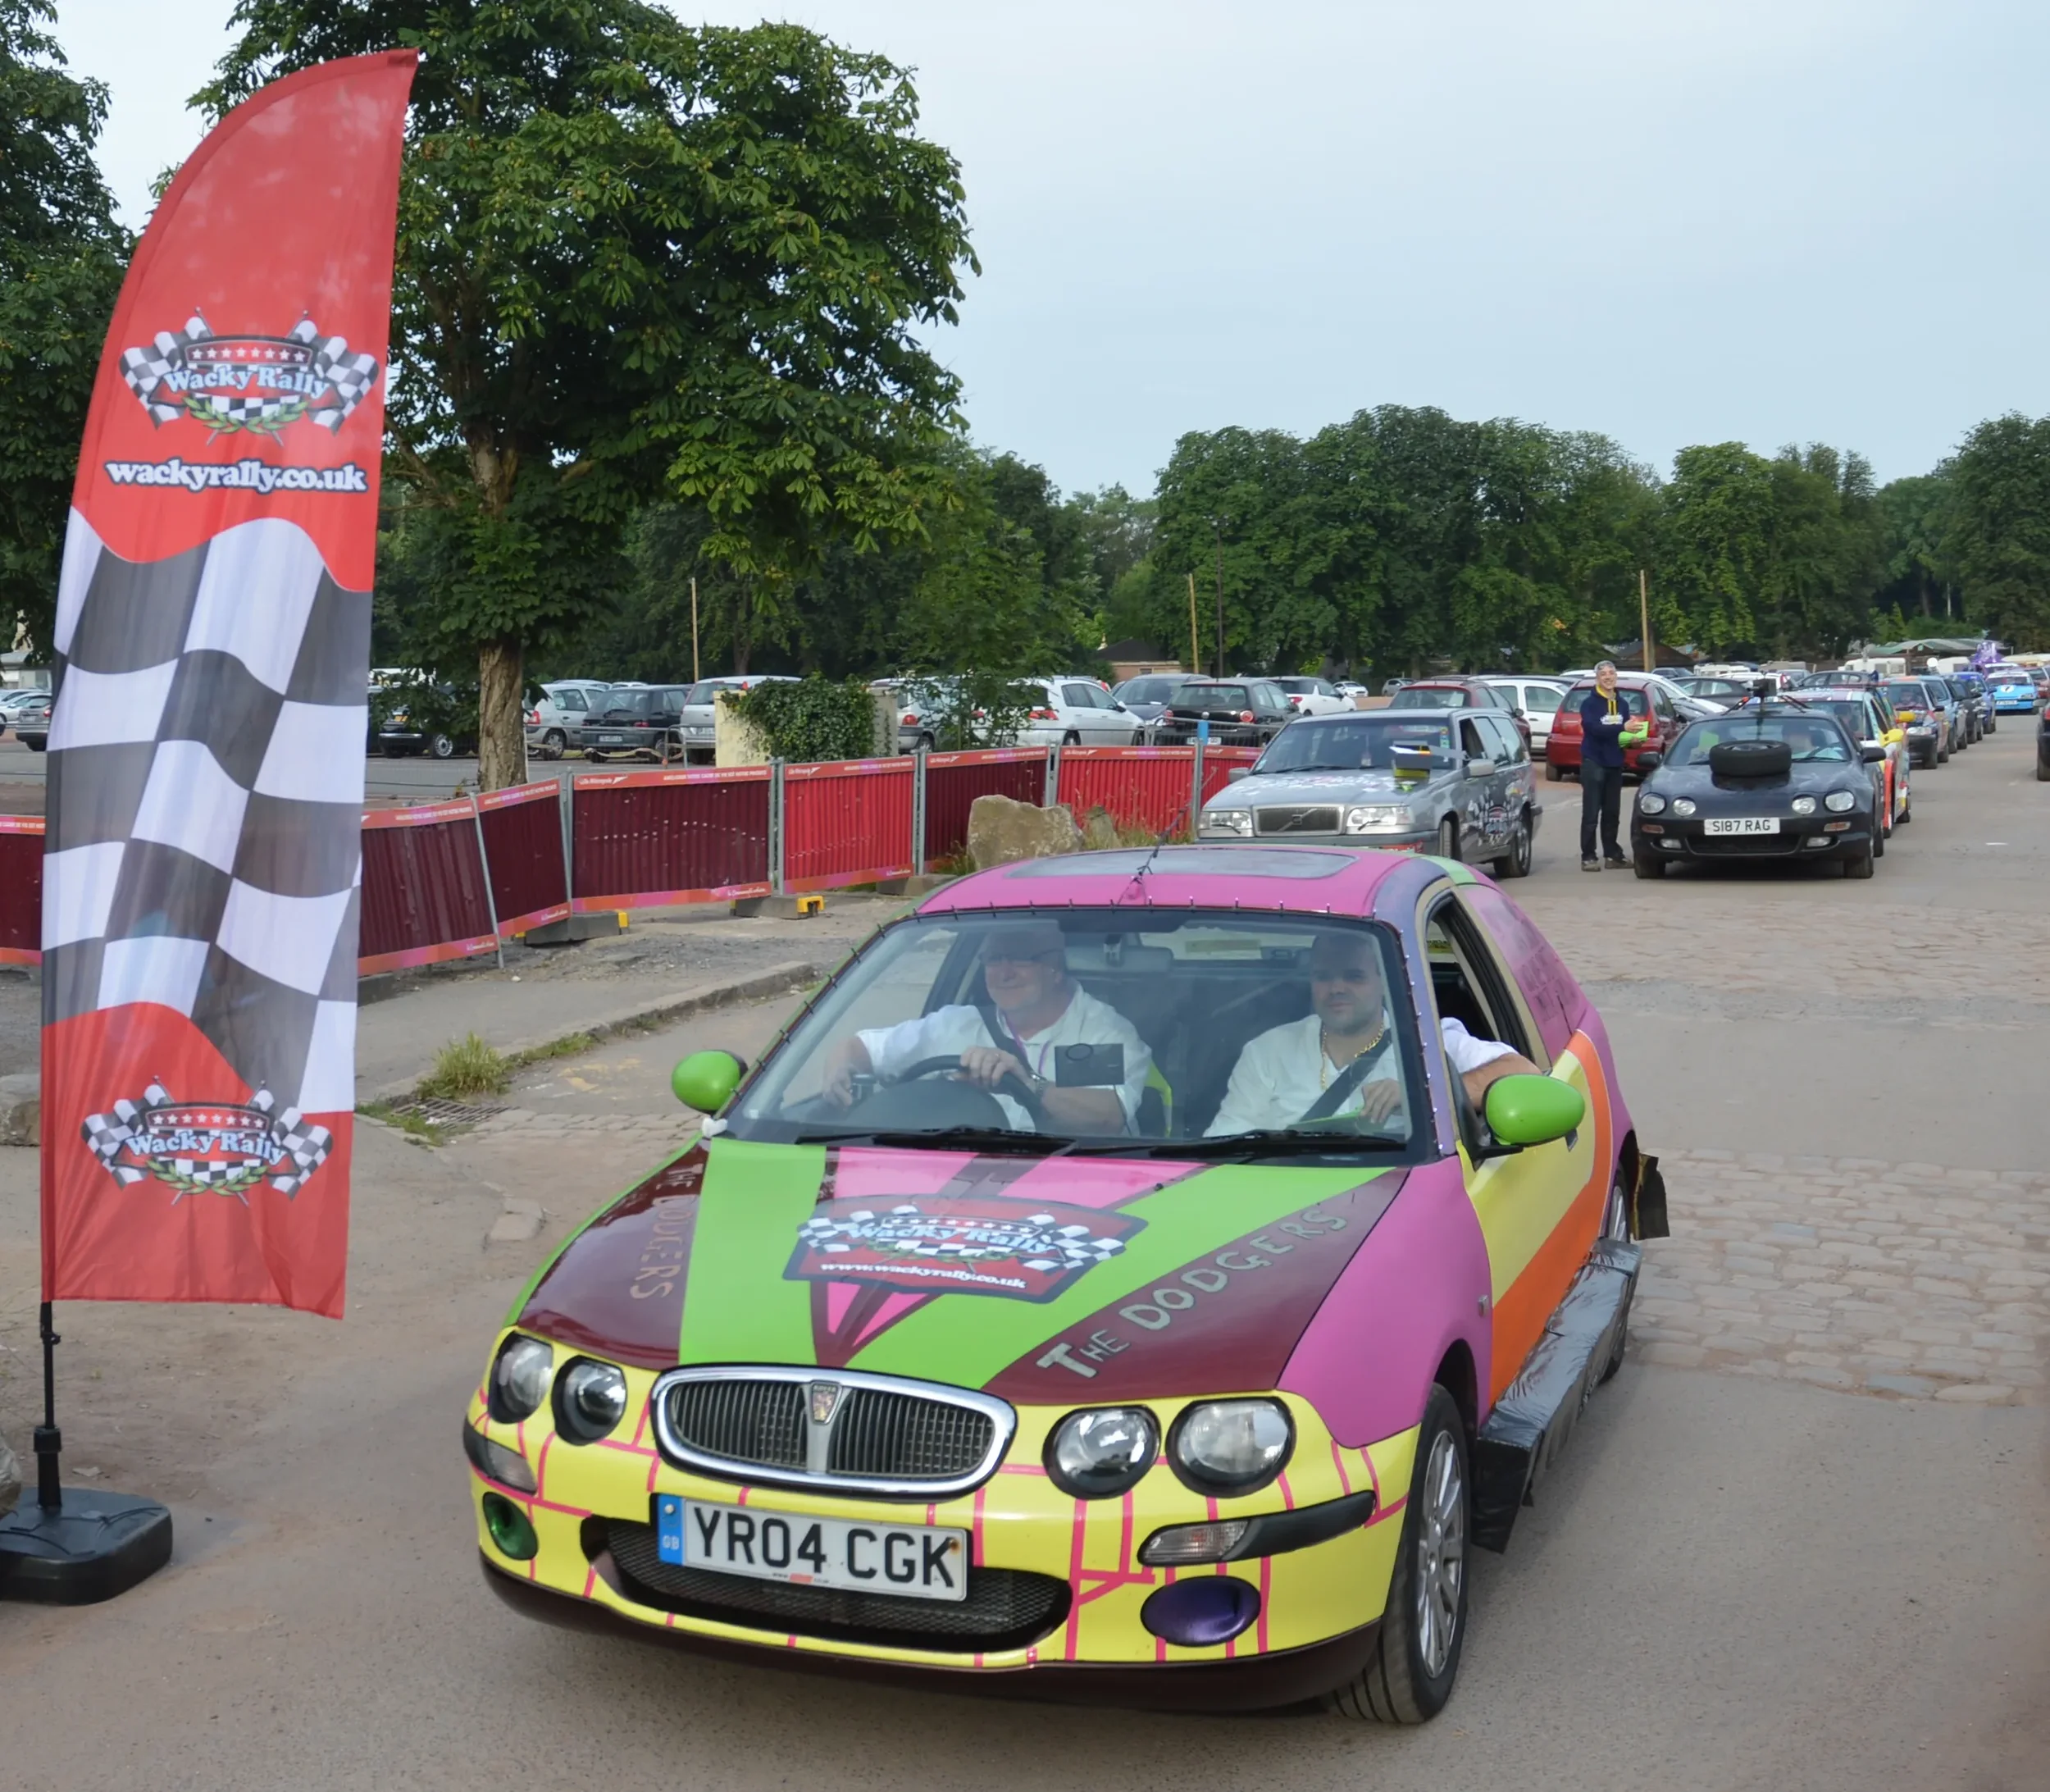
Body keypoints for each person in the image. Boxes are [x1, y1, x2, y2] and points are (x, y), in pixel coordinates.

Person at [821, 919, 1150, 1133]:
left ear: (1055, 968)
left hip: (1080, 1179)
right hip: (955, 1181)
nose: (1003, 972)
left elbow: (1108, 1118)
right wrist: (839, 1069)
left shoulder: (1100, 1030)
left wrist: (1026, 1083)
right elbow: (860, 1047)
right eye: (994, 959)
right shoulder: (953, 1024)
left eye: (1020, 958)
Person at [1206, 930, 1542, 1137]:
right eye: (1324, 976)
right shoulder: (1267, 1051)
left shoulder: (1429, 1040)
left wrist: (1422, 1095)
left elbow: (1524, 1072)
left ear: (1385, 982)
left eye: (1354, 976)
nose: (1337, 988)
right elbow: (1224, 1142)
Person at [1578, 661, 1631, 870]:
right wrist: (1621, 727)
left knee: (1612, 812)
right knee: (1592, 812)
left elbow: (1622, 735)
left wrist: (1633, 739)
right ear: (1597, 678)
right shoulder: (1589, 704)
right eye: (1603, 674)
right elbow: (1594, 729)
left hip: (1615, 762)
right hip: (1594, 762)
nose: (1608, 677)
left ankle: (1612, 854)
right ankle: (1588, 856)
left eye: (1611, 673)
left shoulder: (1623, 704)